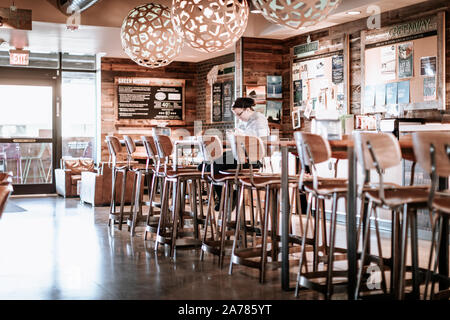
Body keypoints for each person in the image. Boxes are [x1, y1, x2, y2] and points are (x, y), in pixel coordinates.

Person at [199, 97, 270, 210]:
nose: (238, 118)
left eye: (239, 114)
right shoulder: (246, 121)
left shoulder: (258, 119)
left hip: (251, 159)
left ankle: (228, 197)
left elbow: (255, 142)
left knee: (213, 166)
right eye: (236, 115)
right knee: (204, 165)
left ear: (247, 110)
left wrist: (239, 135)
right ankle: (227, 195)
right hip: (240, 154)